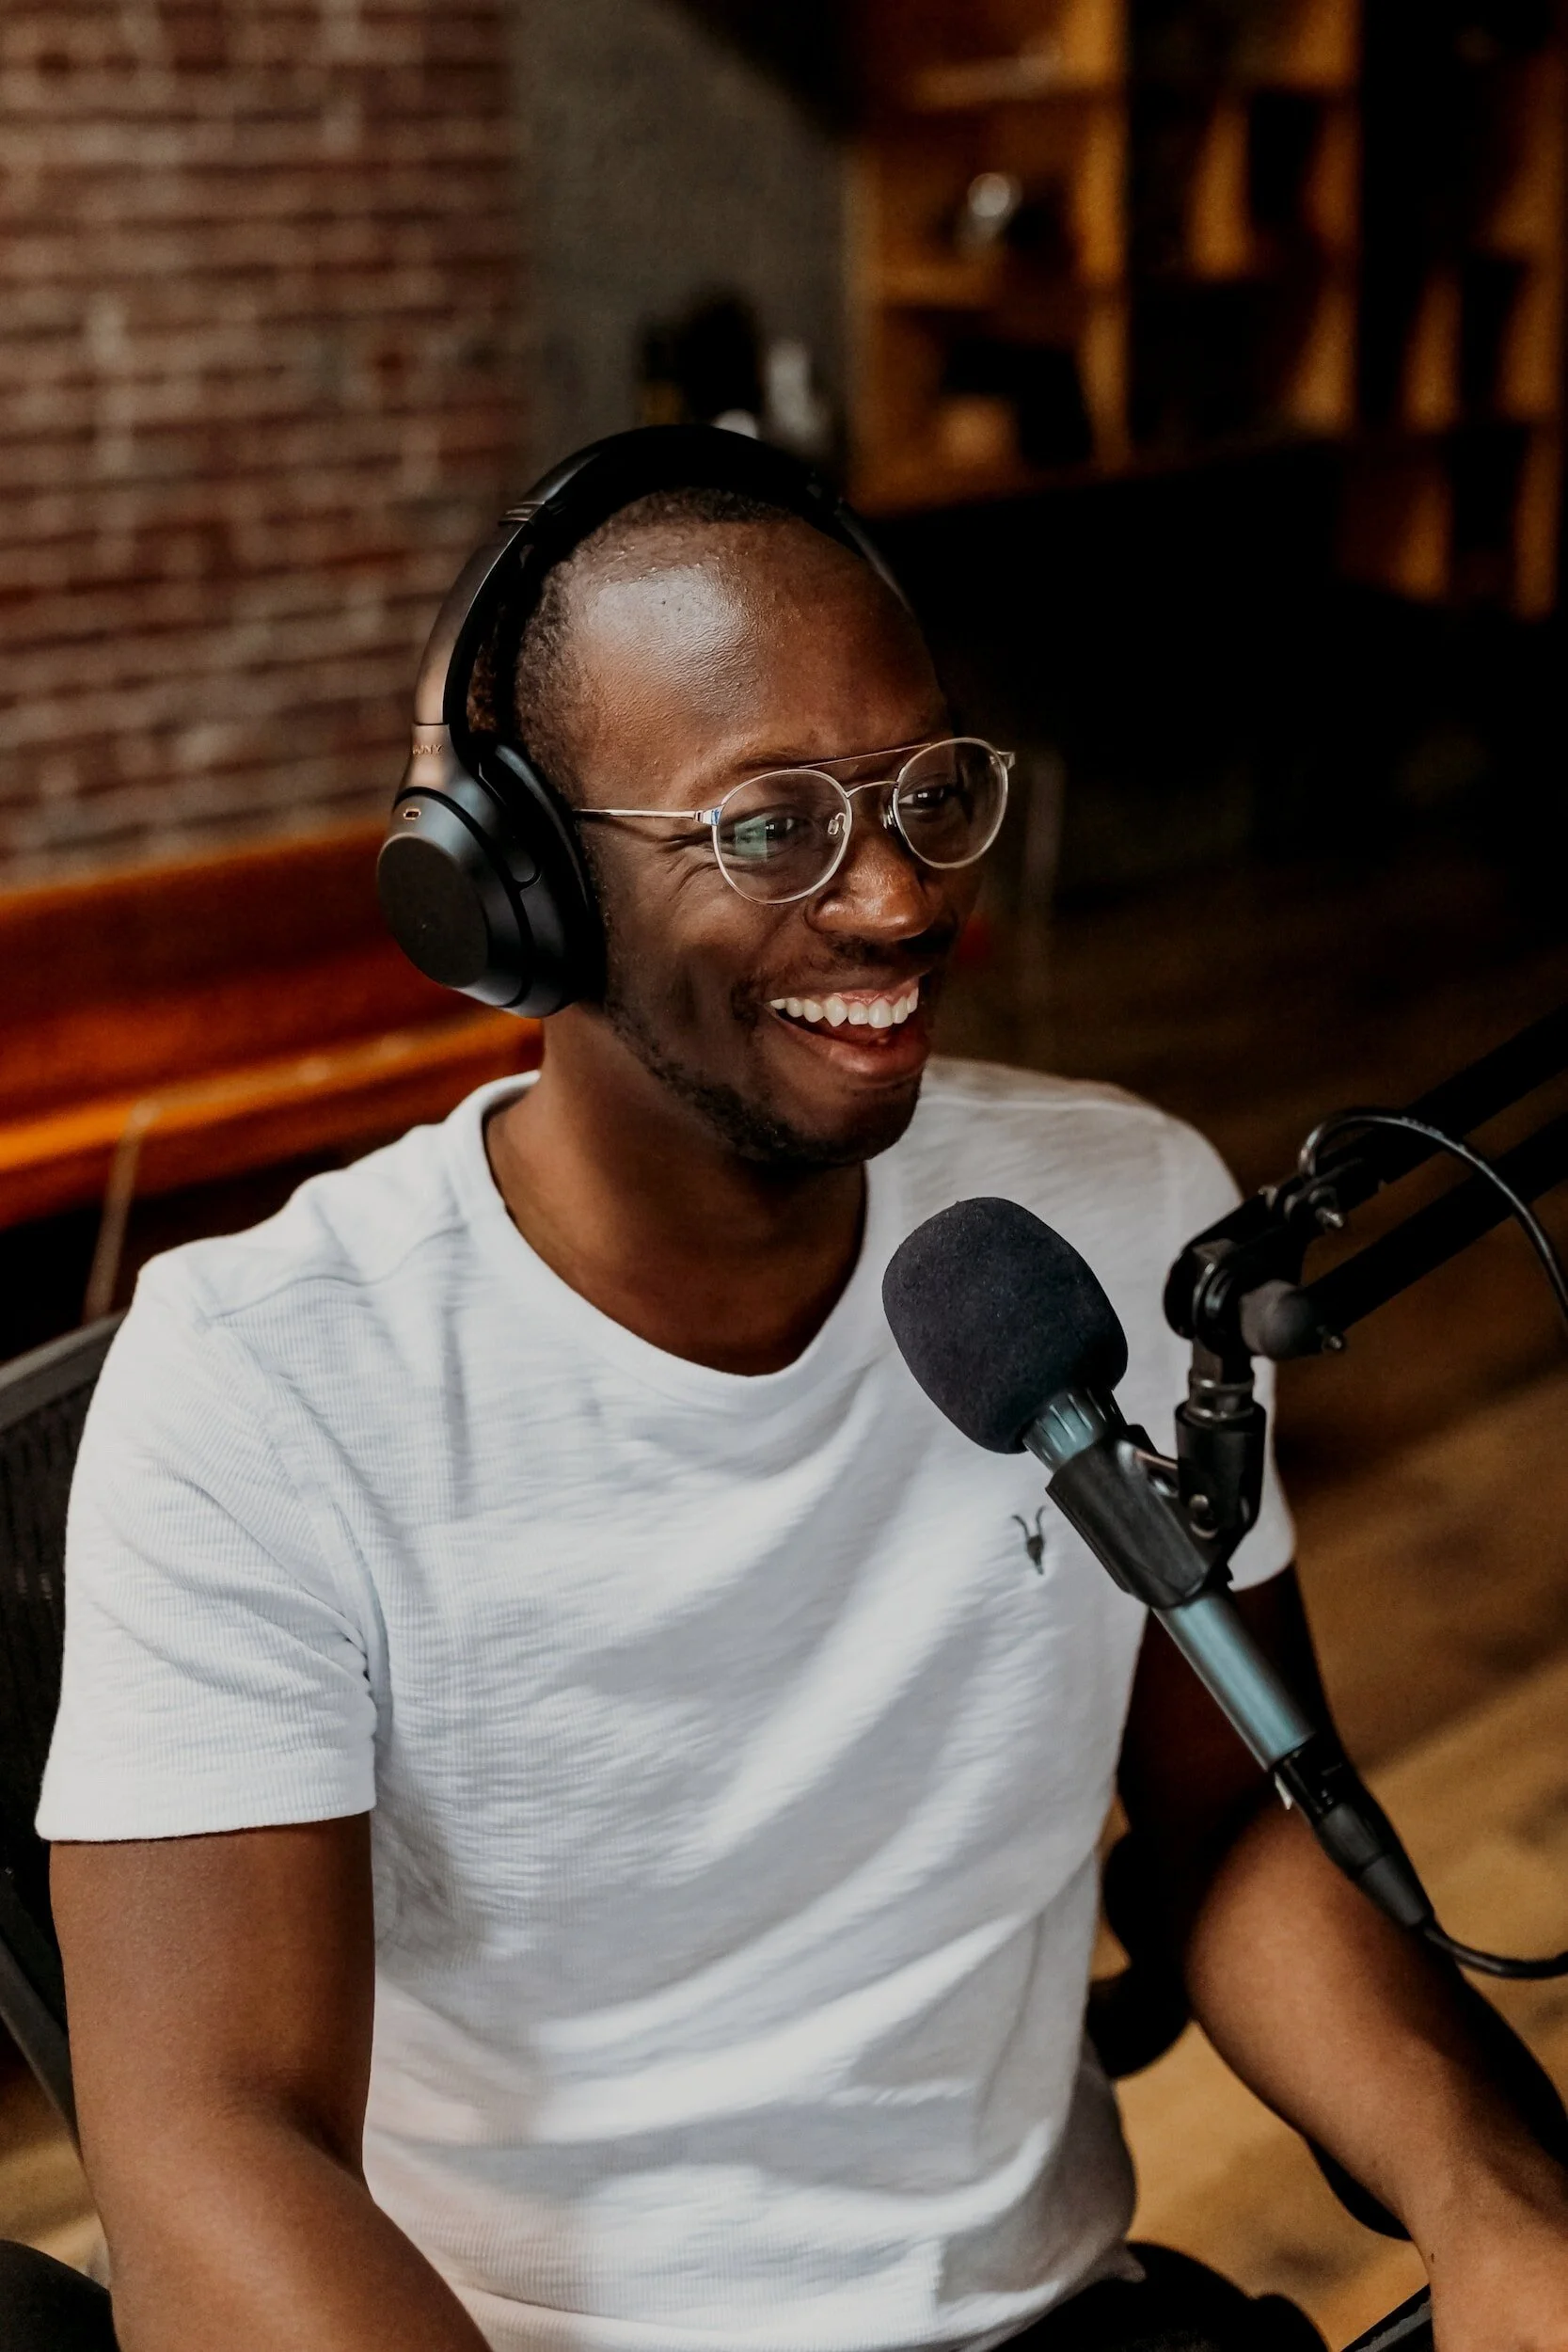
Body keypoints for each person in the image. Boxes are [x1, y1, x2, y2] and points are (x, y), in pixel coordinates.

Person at [28, 432, 1568, 2352]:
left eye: (928, 793)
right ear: (518, 890)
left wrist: (1493, 2197)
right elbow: (208, 2148)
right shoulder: (262, 1382)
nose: (897, 899)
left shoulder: (1113, 1208)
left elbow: (1229, 1826)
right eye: (770, 829)